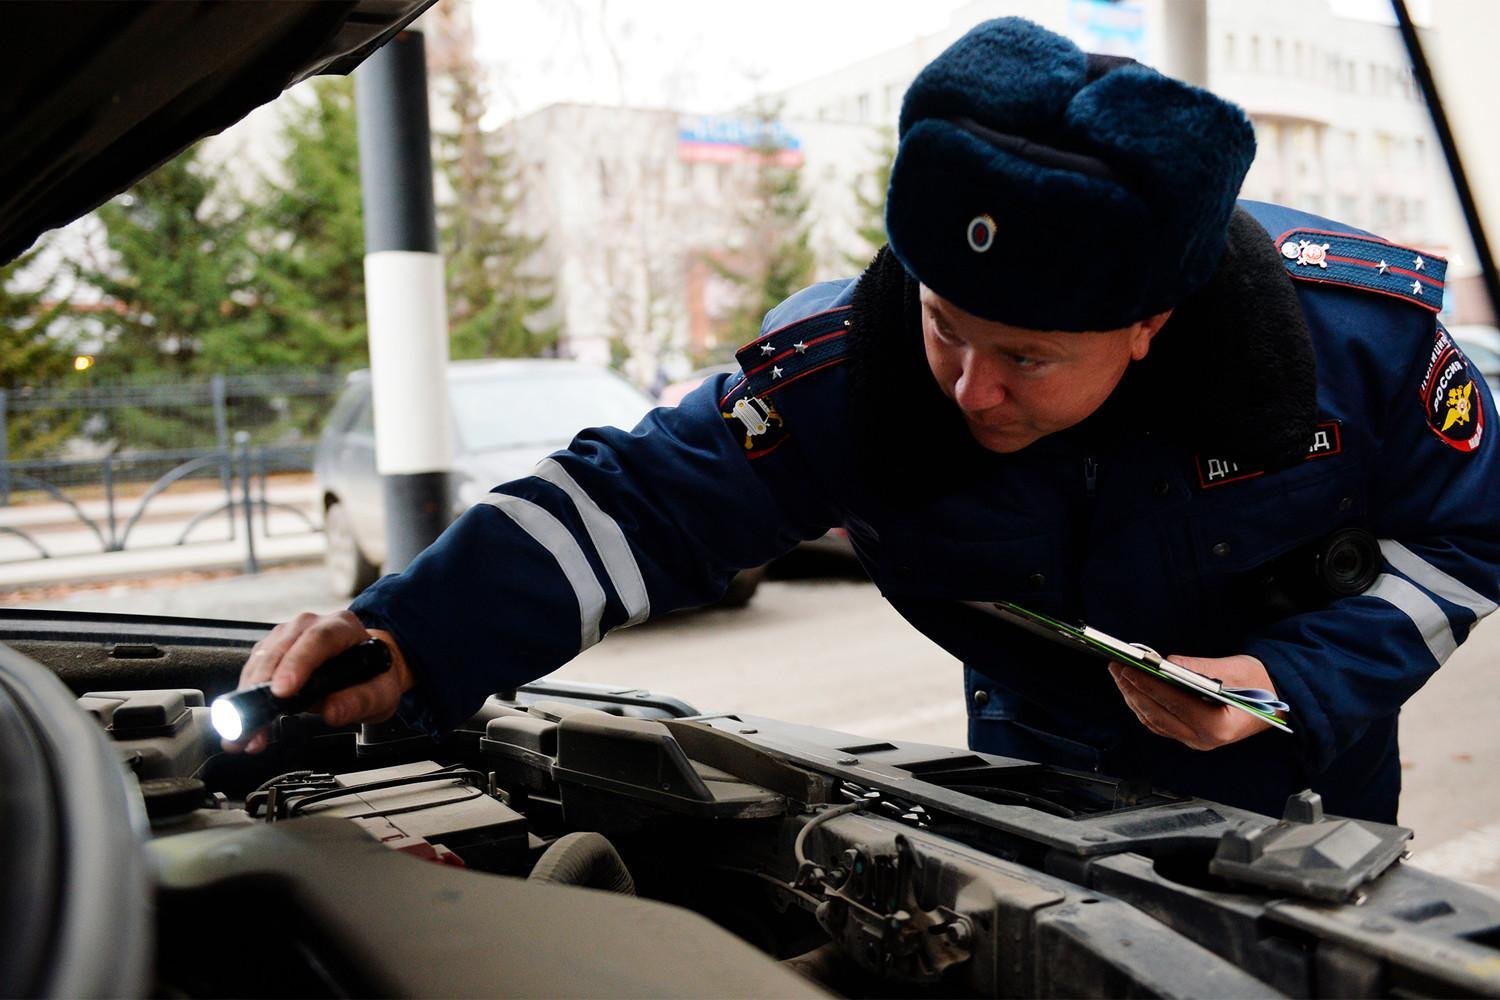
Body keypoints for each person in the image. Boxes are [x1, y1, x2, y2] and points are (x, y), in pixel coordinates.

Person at [231, 18, 1499, 823]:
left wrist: (1293, 680)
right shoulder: (854, 368)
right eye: (947, 322)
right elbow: (638, 505)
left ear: (1150, 323)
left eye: (1028, 355)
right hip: (1036, 784)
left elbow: (1470, 542)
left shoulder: (1359, 347)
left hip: (1307, 793)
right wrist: (407, 636)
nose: (968, 388)